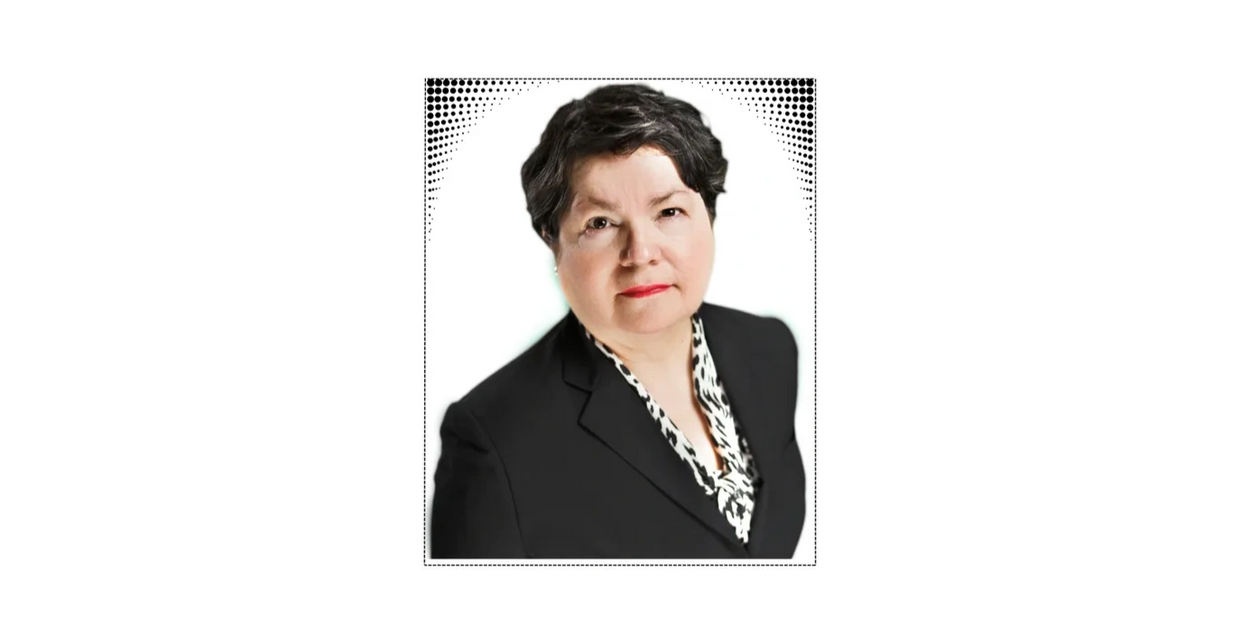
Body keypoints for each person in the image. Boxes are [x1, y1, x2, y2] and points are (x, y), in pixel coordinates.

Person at [430, 83, 804, 558]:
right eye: (601, 223)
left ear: (708, 216)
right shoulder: (493, 445)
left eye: (669, 211)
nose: (640, 254)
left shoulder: (769, 349)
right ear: (553, 241)